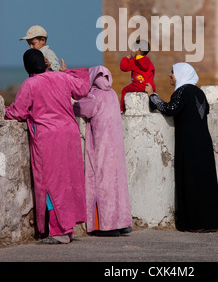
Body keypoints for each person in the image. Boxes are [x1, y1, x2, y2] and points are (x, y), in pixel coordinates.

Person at [4, 49, 91, 244]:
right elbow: (83, 89)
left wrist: (4, 110)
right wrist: (66, 72)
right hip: (70, 134)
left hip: (49, 138)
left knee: (51, 183)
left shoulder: (30, 83)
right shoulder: (61, 77)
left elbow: (18, 112)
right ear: (44, 62)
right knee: (68, 182)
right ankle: (68, 227)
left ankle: (59, 231)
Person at [145, 62, 218, 233]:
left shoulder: (183, 91)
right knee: (205, 182)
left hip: (190, 143)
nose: (170, 75)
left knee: (192, 181)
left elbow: (170, 109)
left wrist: (152, 95)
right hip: (203, 142)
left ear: (181, 74)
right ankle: (211, 222)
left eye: (172, 72)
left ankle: (195, 223)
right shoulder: (199, 92)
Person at [73, 65, 132, 236]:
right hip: (116, 148)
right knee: (117, 186)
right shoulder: (113, 94)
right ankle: (121, 222)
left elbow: (78, 109)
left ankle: (105, 225)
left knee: (101, 185)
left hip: (102, 147)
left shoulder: (95, 96)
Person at [120, 39, 156, 113]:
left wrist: (126, 58)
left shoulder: (134, 61)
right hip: (149, 86)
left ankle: (122, 109)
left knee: (125, 90)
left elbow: (123, 67)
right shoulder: (149, 62)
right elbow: (153, 72)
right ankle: (154, 107)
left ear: (137, 50)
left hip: (138, 85)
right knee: (154, 92)